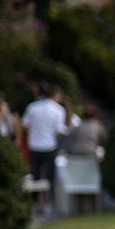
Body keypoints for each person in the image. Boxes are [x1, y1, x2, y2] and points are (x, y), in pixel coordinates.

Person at [21, 83, 70, 214]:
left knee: (35, 177)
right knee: (49, 178)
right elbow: (59, 131)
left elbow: (25, 125)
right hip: (49, 146)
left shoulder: (32, 107)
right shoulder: (58, 109)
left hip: (34, 146)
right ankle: (49, 205)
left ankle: (35, 204)